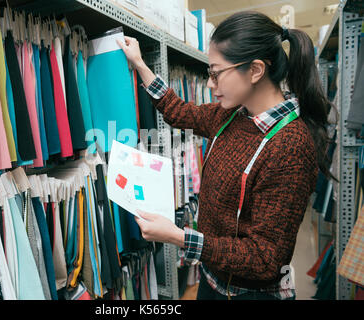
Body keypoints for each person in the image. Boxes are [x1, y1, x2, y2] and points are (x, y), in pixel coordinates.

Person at [116, 11, 335, 300]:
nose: (209, 84)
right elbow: (181, 112)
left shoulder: (290, 146)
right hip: (214, 280)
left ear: (255, 70)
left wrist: (179, 237)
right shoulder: (233, 116)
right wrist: (141, 65)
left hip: (251, 295)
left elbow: (265, 258)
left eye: (216, 73)